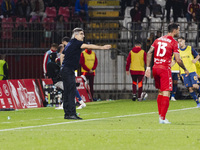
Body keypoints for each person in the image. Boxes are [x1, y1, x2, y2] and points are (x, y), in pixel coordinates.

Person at [60, 27, 111, 120]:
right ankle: (71, 113)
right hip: (68, 69)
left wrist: (62, 66)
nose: (83, 36)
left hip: (66, 69)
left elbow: (62, 55)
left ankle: (67, 113)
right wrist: (102, 47)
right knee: (71, 91)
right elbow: (87, 46)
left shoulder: (69, 43)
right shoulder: (76, 42)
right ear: (76, 35)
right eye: (81, 34)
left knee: (67, 92)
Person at [145, 23, 189, 124]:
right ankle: (163, 118)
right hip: (164, 69)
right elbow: (178, 59)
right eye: (178, 30)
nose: (179, 31)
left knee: (160, 91)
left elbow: (149, 52)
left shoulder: (158, 39)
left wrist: (148, 68)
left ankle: (161, 116)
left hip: (155, 68)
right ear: (174, 30)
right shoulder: (174, 42)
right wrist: (185, 69)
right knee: (166, 93)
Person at [61, 36, 86, 110]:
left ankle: (79, 102)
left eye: (64, 44)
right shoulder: (72, 47)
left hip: (69, 69)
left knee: (70, 86)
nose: (64, 46)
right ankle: (74, 102)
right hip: (72, 68)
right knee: (70, 86)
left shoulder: (70, 47)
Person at [175, 36, 200, 107]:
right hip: (184, 72)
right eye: (178, 41)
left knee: (195, 86)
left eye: (181, 41)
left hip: (192, 71)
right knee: (190, 88)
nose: (180, 43)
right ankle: (198, 103)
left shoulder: (190, 48)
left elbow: (198, 56)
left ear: (184, 41)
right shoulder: (177, 51)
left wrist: (195, 60)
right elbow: (174, 60)